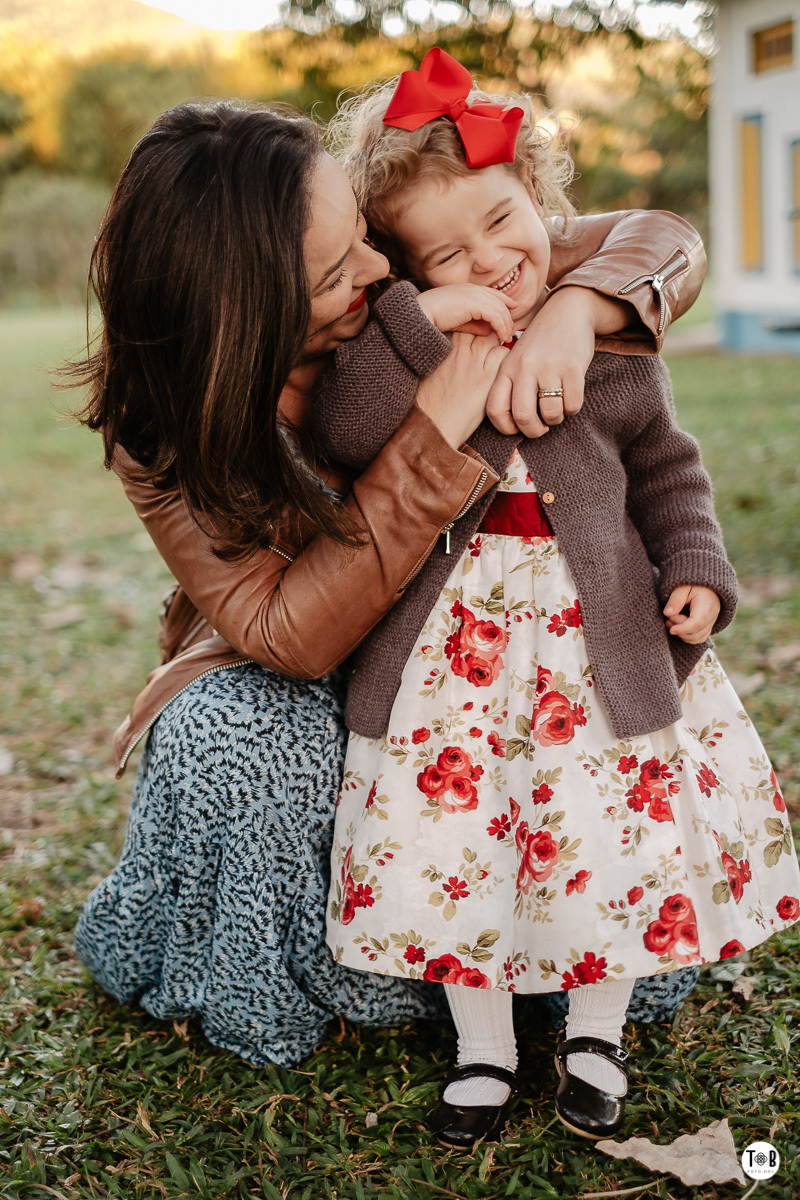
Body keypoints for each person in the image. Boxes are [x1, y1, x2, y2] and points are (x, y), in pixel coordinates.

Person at [70, 97, 712, 1071]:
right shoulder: (160, 426)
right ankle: (317, 959)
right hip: (313, 686)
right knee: (236, 735)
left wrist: (579, 312)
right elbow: (285, 635)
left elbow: (647, 236)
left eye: (364, 240)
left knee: (643, 964)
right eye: (335, 274)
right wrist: (430, 434)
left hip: (470, 658)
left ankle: (493, 971)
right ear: (245, 314)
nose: (378, 270)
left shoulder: (402, 258)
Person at [314, 49, 800, 1144]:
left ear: (536, 196)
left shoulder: (613, 344)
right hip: (455, 659)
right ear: (405, 266)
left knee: (609, 832)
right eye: (446, 253)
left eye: (500, 224)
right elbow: (345, 433)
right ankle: (480, 1050)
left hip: (596, 641)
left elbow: (669, 471)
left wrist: (697, 571)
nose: (490, 262)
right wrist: (417, 318)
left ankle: (594, 1035)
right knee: (454, 837)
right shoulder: (411, 346)